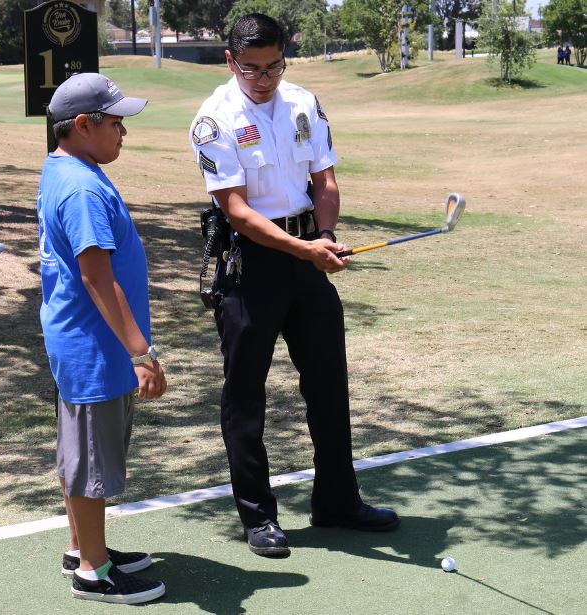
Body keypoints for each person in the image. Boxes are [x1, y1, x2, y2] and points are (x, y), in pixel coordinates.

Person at [189, 13, 400, 558]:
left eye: (275, 66)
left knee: (329, 383)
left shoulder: (304, 102)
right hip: (251, 266)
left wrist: (324, 236)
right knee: (246, 394)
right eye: (252, 69)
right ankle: (258, 517)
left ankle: (337, 501)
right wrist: (305, 249)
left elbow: (324, 179)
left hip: (308, 257)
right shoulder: (214, 120)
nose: (265, 79)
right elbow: (235, 210)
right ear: (230, 61)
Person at [38, 72, 167, 604]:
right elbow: (96, 276)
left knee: (80, 452)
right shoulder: (84, 187)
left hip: (85, 342)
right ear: (85, 125)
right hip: (96, 347)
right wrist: (143, 352)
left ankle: (82, 545)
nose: (123, 133)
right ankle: (92, 570)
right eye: (116, 123)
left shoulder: (66, 167)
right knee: (92, 461)